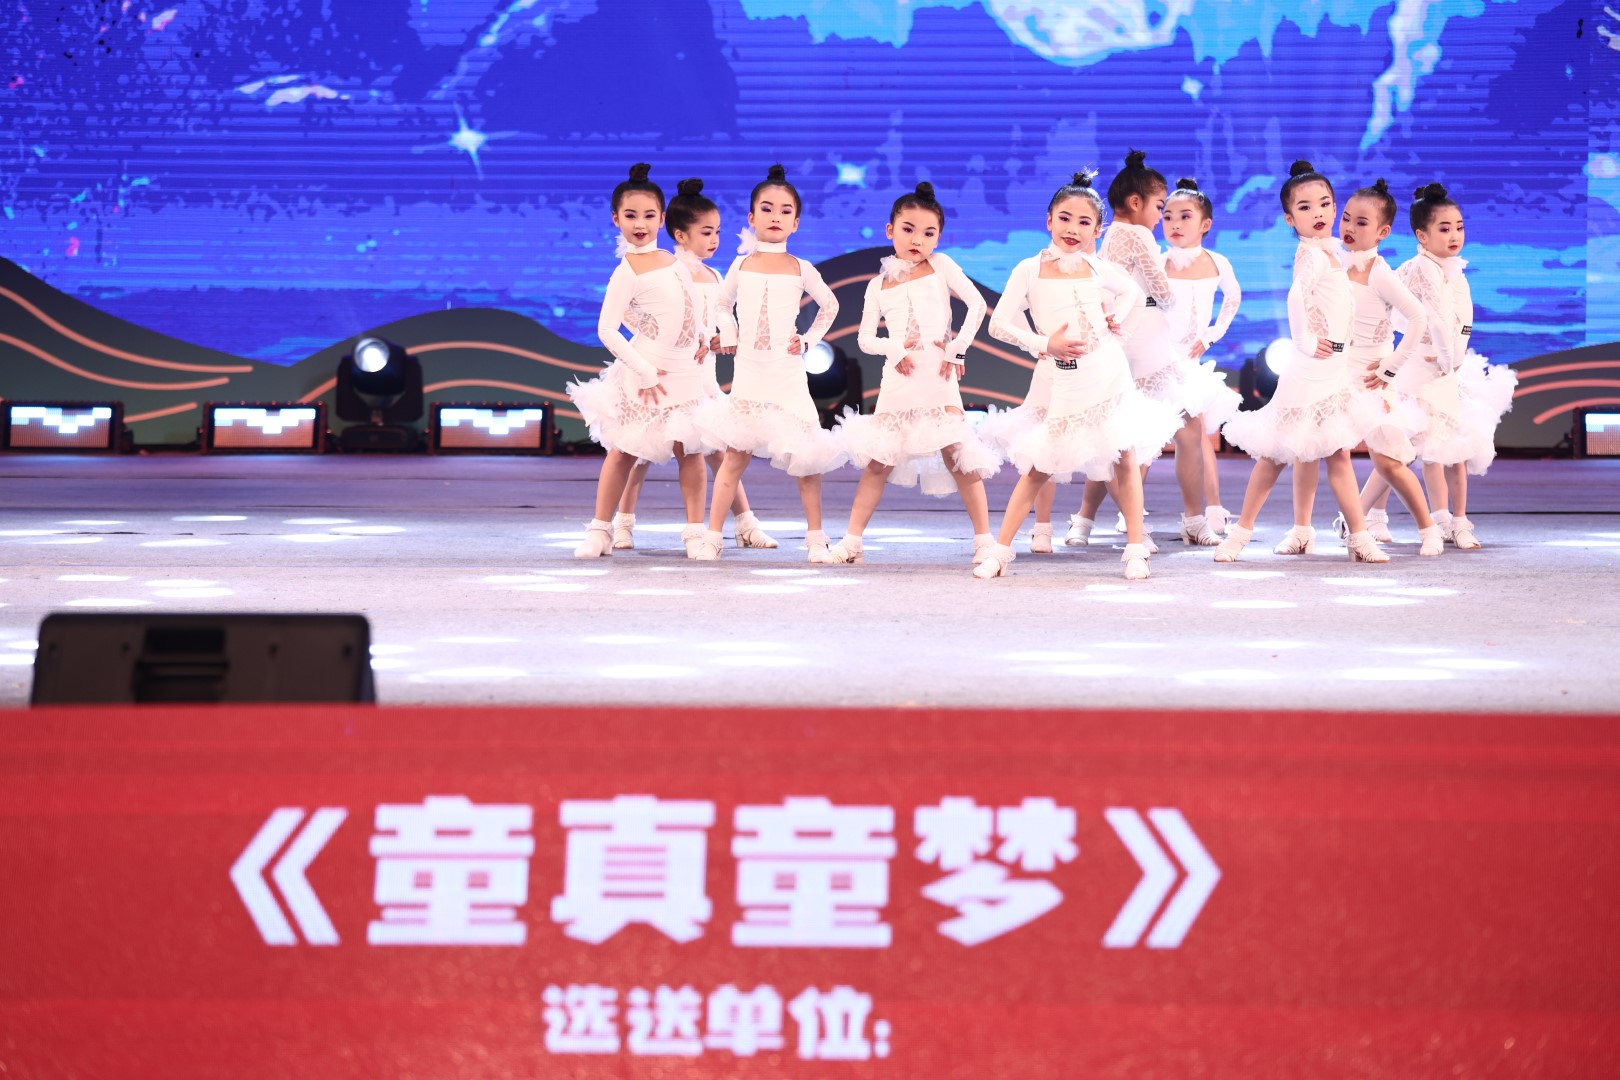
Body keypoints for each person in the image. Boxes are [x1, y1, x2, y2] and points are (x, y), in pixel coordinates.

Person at [974, 172, 1179, 581]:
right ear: (1049, 220)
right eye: (1065, 218)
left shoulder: (1097, 267)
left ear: (1097, 230)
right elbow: (997, 324)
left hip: (1109, 371)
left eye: (1084, 222)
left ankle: (1135, 550)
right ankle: (1000, 551)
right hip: (1067, 379)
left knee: (1124, 457)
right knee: (1040, 465)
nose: (1073, 229)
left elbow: (1134, 294)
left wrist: (1118, 326)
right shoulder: (1028, 269)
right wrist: (1043, 343)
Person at [1215, 160, 1390, 564]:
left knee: (1336, 454)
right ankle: (1239, 535)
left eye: (1325, 204)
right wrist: (1307, 343)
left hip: (1333, 371)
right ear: (1290, 218)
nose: (1318, 213)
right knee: (1276, 456)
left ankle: (1358, 538)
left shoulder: (1330, 253)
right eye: (1305, 207)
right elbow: (1296, 297)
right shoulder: (1312, 254)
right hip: (1310, 372)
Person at [823, 182, 999, 565]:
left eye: (928, 233)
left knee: (958, 456)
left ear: (938, 238)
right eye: (908, 229)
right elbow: (865, 339)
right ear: (890, 230)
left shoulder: (941, 266)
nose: (918, 240)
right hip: (898, 380)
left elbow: (976, 304)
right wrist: (894, 348)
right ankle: (852, 541)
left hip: (938, 377)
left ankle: (985, 540)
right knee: (878, 462)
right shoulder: (877, 284)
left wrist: (957, 347)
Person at [610, 178, 778, 554]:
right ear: (680, 235)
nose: (714, 239)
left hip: (702, 376)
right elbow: (630, 313)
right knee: (640, 450)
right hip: (662, 371)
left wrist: (718, 340)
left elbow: (714, 323)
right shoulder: (668, 270)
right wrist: (658, 341)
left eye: (717, 231)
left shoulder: (715, 276)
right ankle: (623, 522)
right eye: (706, 232)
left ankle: (745, 524)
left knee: (718, 449)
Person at [692, 165, 845, 562]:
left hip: (787, 373)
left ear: (796, 223)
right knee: (734, 456)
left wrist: (807, 340)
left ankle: (816, 540)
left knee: (806, 457)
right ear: (751, 217)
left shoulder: (801, 268)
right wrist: (729, 331)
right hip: (749, 372)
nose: (775, 216)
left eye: (785, 211)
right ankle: (713, 536)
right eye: (767, 209)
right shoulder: (740, 265)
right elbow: (721, 303)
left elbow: (830, 306)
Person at [569, 164, 713, 559]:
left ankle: (695, 532)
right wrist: (645, 371)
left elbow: (688, 304)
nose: (640, 224)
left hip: (685, 371)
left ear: (662, 219)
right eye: (630, 215)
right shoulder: (626, 272)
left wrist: (702, 335)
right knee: (625, 451)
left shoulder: (672, 259)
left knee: (691, 452)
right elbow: (607, 329)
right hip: (649, 374)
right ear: (616, 219)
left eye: (649, 215)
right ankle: (600, 530)